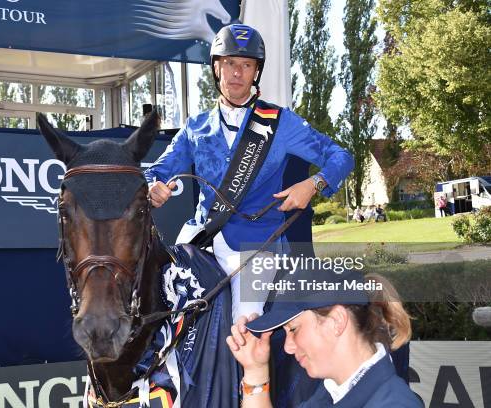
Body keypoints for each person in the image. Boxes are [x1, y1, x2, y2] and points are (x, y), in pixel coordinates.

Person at [144, 24, 354, 322]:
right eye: (229, 63)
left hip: (255, 248)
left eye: (246, 65)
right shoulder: (195, 126)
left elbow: (341, 156)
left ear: (256, 71)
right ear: (216, 67)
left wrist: (313, 183)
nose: (237, 73)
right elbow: (155, 172)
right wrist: (153, 186)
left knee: (247, 320)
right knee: (162, 310)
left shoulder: (280, 122)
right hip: (199, 240)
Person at [226, 271, 423, 407]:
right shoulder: (332, 393)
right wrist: (255, 371)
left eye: (293, 329)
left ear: (336, 321)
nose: (288, 347)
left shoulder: (390, 403)